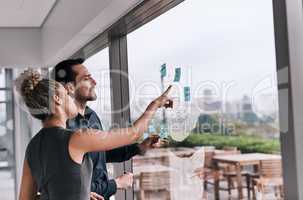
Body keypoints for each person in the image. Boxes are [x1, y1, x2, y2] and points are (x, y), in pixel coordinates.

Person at [17, 69, 173, 200]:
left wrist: (79, 194)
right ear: (57, 99)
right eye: (67, 94)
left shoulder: (32, 146)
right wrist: (155, 104)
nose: (72, 99)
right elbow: (133, 133)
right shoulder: (76, 139)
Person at [51, 59, 164, 199]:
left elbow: (102, 153)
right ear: (69, 87)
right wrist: (116, 184)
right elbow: (75, 190)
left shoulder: (91, 116)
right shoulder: (66, 129)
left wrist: (139, 148)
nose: (94, 82)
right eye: (86, 78)